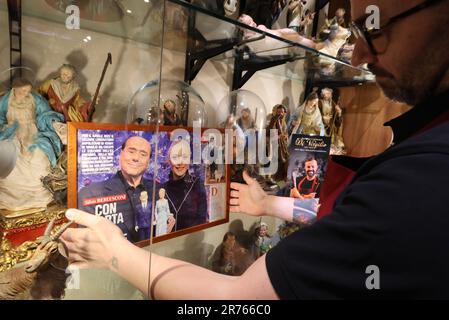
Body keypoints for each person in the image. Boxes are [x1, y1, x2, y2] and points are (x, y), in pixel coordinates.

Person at [61, 0, 449, 299]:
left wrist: (114, 252)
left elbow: (240, 299)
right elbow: (348, 213)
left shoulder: (423, 178)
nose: (359, 55)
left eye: (374, 29)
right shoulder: (423, 155)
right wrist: (269, 205)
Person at [0, 78, 64, 211]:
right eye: (24, 91)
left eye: (29, 91)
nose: (27, 93)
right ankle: (12, 199)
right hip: (11, 133)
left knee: (40, 155)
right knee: (11, 156)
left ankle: (39, 198)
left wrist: (53, 122)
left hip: (33, 133)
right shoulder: (5, 100)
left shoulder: (36, 98)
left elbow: (45, 114)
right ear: (15, 89)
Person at [77, 136, 153, 243]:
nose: (136, 158)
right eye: (131, 151)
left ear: (148, 161)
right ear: (120, 154)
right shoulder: (90, 194)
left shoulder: (157, 189)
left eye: (143, 154)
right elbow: (88, 244)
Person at [162, 139, 208, 232]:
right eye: (175, 157)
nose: (180, 162)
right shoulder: (162, 189)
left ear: (190, 160)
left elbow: (202, 219)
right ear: (169, 160)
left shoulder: (197, 184)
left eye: (185, 157)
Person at [319, 88, 345, 154]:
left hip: (330, 125)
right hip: (321, 124)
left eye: (329, 94)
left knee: (332, 137)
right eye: (325, 94)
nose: (327, 95)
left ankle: (331, 148)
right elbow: (316, 113)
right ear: (322, 94)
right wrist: (323, 118)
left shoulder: (333, 104)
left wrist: (339, 113)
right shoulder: (319, 102)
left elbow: (335, 117)